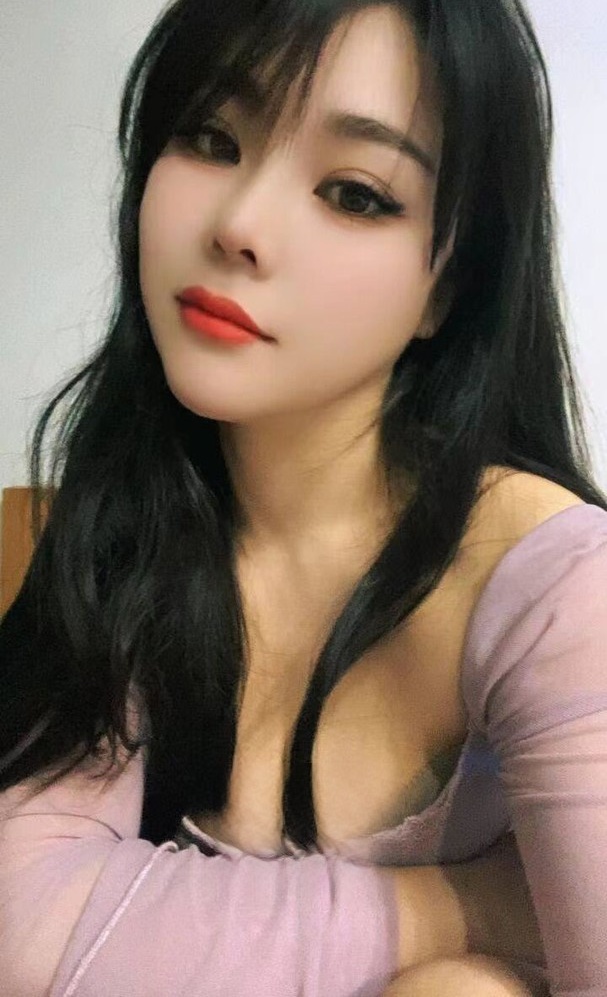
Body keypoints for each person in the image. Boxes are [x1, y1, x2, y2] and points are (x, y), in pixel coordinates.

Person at [1, 0, 606, 994]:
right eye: (211, 138)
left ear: (447, 286)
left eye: (354, 193)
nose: (238, 226)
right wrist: (487, 906)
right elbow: (23, 929)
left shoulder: (555, 584)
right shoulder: (126, 521)